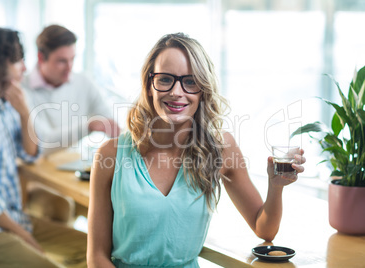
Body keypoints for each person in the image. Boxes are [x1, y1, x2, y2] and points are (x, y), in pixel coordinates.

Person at [86, 33, 306, 267]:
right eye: (164, 79)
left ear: (203, 90)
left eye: (190, 82)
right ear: (149, 85)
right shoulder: (110, 154)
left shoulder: (221, 149)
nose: (176, 92)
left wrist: (276, 186)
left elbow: (264, 229)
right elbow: (97, 256)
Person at [0, 25, 87, 268]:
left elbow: (31, 154)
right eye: (18, 60)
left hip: (12, 218)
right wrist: (26, 238)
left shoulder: (5, 102)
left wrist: (24, 112)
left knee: (91, 250)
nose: (24, 67)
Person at [22, 24, 120, 155]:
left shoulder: (83, 82)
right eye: (61, 61)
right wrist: (88, 126)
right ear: (41, 58)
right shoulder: (22, 90)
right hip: (36, 170)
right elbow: (41, 144)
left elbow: (110, 122)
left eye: (72, 59)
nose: (69, 68)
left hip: (73, 163)